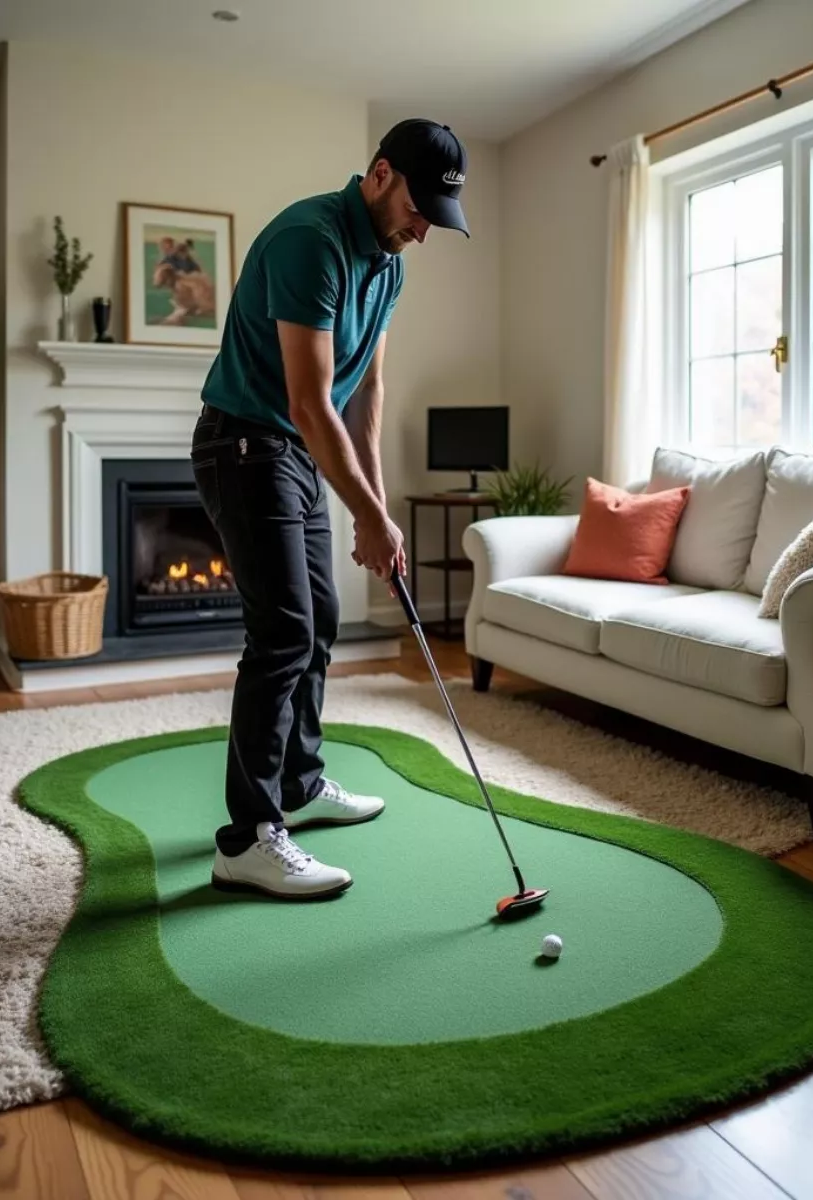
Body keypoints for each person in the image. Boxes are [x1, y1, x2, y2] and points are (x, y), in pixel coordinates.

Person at [192, 119, 470, 900]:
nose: (424, 231)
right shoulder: (309, 240)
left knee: (316, 620)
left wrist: (372, 508)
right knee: (282, 629)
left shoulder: (388, 266)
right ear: (381, 174)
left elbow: (365, 395)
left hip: (291, 454)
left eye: (436, 220)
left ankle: (300, 785)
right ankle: (247, 838)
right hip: (245, 445)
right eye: (420, 209)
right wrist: (373, 518)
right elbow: (312, 404)